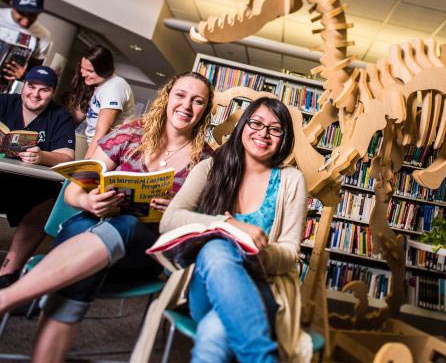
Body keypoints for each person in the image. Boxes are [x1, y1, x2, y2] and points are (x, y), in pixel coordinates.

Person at [0, 72, 213, 361]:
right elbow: (73, 193)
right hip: (91, 231)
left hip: (144, 251)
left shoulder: (206, 160)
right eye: (180, 95)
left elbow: (204, 220)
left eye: (197, 101)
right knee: (85, 245)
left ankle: (9, 297)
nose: (186, 106)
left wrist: (177, 208)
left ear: (205, 110)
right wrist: (89, 200)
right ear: (167, 97)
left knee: (123, 224)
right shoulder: (130, 135)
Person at [160, 97, 308, 362]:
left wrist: (255, 254)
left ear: (284, 138)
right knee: (217, 247)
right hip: (204, 287)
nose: (264, 133)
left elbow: (289, 253)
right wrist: (226, 225)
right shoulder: (210, 168)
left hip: (263, 284)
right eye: (257, 123)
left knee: (213, 334)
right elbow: (169, 219)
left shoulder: (292, 180)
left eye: (275, 129)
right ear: (243, 126)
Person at [0, 65, 75, 287]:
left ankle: (7, 273)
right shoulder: (4, 102)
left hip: (31, 186)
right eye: (31, 86)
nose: (35, 94)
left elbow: (67, 158)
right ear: (23, 85)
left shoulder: (60, 116)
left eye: (44, 90)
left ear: (52, 93)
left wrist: (42, 156)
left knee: (51, 202)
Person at [67, 45, 136, 158]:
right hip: (99, 147)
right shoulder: (96, 84)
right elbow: (76, 117)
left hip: (110, 151)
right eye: (82, 68)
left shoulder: (114, 86)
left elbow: (102, 131)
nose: (83, 74)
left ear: (104, 69)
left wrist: (85, 163)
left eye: (89, 70)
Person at [0, 0, 52, 84]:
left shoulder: (43, 35)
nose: (25, 21)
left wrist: (24, 75)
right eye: (22, 13)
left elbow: (34, 71)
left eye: (32, 15)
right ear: (12, 4)